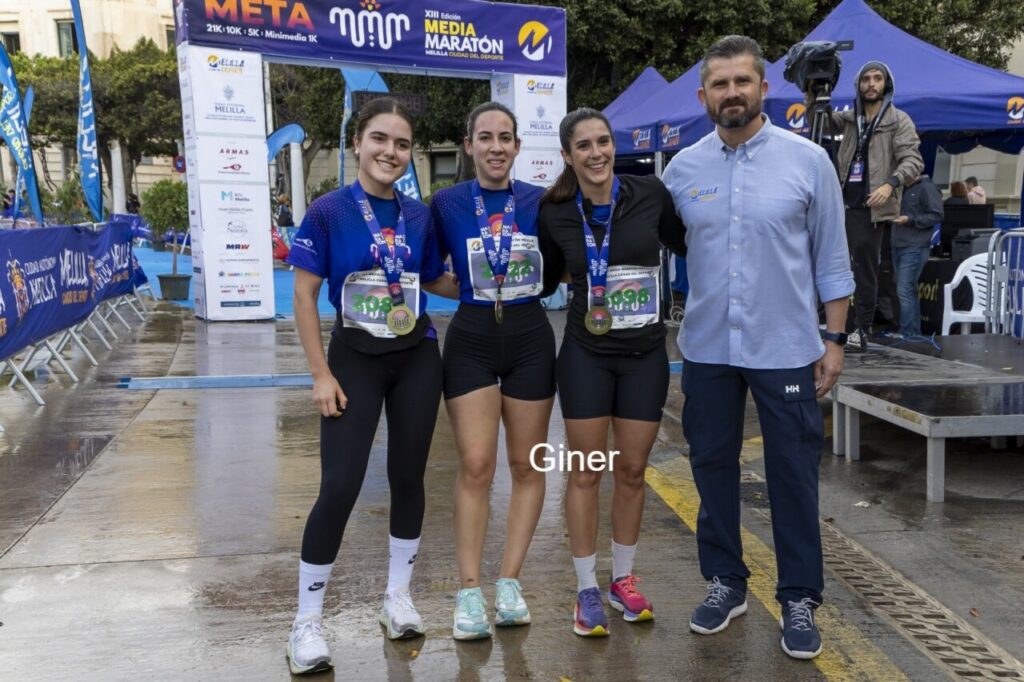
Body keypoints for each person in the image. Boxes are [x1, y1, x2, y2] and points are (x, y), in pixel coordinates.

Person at [662, 35, 854, 660]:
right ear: (704, 96)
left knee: (792, 473)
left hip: (788, 346)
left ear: (765, 88)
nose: (732, 93)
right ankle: (726, 582)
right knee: (710, 465)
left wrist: (834, 339)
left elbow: (832, 258)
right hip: (709, 347)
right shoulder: (682, 169)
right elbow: (676, 250)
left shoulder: (808, 162)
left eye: (743, 81)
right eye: (720, 84)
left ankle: (799, 595)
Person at [283, 97, 457, 675]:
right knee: (340, 486)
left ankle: (397, 598)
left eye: (402, 144)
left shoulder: (418, 214)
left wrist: (501, 285)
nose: (390, 151)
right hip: (353, 360)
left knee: (408, 478)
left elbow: (431, 276)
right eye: (380, 139)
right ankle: (306, 624)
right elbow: (305, 297)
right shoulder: (328, 211)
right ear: (358, 142)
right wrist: (319, 375)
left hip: (416, 358)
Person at [539, 108, 686, 637]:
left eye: (604, 142)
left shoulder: (650, 194)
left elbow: (691, 243)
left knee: (631, 471)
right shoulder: (555, 211)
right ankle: (585, 589)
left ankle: (623, 579)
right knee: (585, 471)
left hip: (646, 354)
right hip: (586, 355)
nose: (597, 153)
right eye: (585, 146)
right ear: (568, 155)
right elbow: (544, 277)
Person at [430, 102, 555, 640]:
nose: (496, 146)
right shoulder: (446, 203)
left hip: (530, 339)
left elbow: (564, 261)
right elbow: (428, 269)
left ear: (518, 146)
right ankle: (467, 590)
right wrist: (472, 288)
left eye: (506, 137)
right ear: (469, 145)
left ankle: (508, 583)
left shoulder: (540, 201)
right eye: (486, 137)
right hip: (472, 340)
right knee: (477, 464)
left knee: (527, 466)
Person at [829, 60, 923, 351]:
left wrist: (890, 184)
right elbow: (816, 116)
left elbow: (914, 161)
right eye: (865, 79)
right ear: (858, 85)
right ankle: (835, 324)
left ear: (886, 84)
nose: (871, 84)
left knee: (864, 268)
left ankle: (861, 327)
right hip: (842, 202)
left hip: (872, 207)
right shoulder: (850, 118)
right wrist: (812, 93)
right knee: (834, 264)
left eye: (877, 78)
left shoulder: (898, 120)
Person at [891, 174, 943, 337]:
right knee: (907, 289)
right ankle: (911, 332)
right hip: (899, 243)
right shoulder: (904, 189)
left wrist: (910, 219)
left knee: (904, 289)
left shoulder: (927, 187)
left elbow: (936, 215)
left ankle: (908, 332)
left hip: (914, 245)